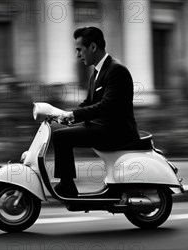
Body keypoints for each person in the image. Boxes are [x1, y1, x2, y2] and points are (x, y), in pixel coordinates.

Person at [53, 27, 140, 197]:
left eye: (79, 50)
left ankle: (67, 186)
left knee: (60, 138)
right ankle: (67, 185)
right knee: (60, 133)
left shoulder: (116, 71)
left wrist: (74, 115)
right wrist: (65, 116)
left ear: (93, 47)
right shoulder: (97, 73)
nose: (78, 55)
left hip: (116, 131)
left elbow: (107, 106)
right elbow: (88, 103)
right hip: (103, 128)